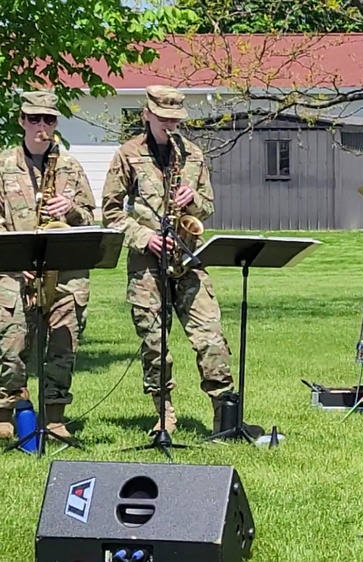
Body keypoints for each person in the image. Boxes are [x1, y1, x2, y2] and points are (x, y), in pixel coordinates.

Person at [102, 85, 235, 435]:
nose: (170, 125)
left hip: (188, 258)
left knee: (210, 337)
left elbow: (209, 205)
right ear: (146, 115)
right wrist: (145, 237)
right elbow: (111, 213)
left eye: (175, 119)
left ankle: (225, 415)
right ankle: (164, 413)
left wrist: (193, 200)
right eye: (163, 119)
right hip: (147, 263)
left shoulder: (191, 154)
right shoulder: (127, 154)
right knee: (154, 343)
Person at [0, 91, 95, 440]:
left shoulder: (70, 166)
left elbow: (90, 219)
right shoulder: (3, 163)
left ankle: (55, 417)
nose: (43, 127)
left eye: (50, 120)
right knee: (10, 342)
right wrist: (16, 254)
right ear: (22, 120)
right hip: (13, 269)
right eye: (35, 119)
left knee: (63, 345)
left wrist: (69, 208)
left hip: (64, 271)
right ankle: (6, 414)